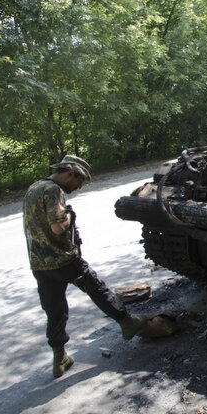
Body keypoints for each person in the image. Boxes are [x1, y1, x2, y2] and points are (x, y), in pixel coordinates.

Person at [23, 155, 147, 378]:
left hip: (39, 263)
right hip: (62, 259)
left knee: (54, 309)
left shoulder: (34, 187)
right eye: (79, 181)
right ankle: (127, 323)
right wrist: (68, 215)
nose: (79, 187)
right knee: (97, 288)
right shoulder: (53, 190)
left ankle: (59, 357)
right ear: (70, 173)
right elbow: (58, 228)